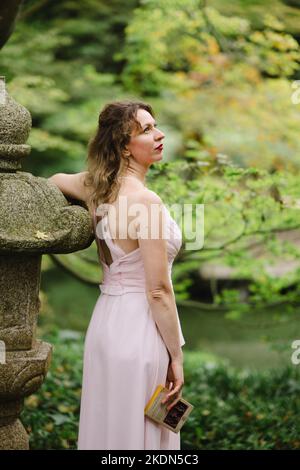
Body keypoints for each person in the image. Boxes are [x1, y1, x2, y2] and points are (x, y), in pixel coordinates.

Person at [48, 100, 185, 450]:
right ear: (124, 146)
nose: (160, 134)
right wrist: (176, 356)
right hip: (140, 328)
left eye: (155, 126)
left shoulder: (98, 188)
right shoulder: (146, 202)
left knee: (110, 427)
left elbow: (54, 181)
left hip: (106, 325)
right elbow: (158, 291)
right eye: (147, 130)